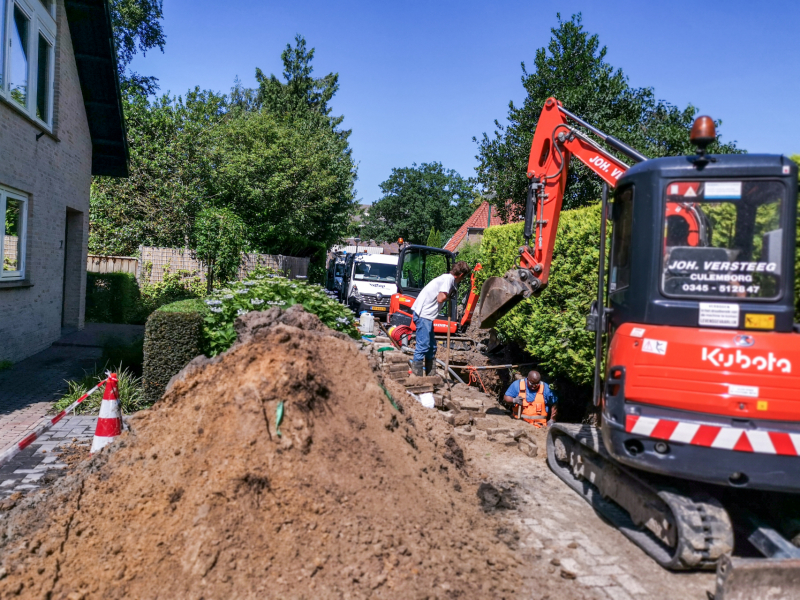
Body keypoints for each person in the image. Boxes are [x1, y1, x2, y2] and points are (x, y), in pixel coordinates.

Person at [410, 261, 472, 377]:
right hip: (423, 315)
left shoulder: (447, 278)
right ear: (461, 275)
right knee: (423, 345)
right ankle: (416, 377)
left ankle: (430, 376)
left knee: (432, 347)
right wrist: (449, 295)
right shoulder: (448, 279)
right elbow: (440, 298)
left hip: (427, 316)